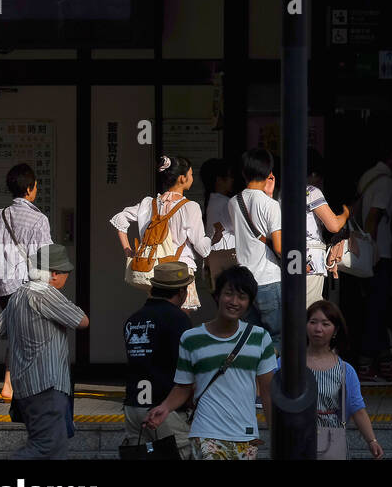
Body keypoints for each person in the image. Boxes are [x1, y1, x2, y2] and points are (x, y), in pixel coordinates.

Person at [145, 265, 277, 460]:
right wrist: (165, 407)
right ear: (217, 296)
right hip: (205, 433)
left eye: (242, 297)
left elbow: (268, 391)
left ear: (249, 303)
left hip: (246, 435)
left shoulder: (260, 338)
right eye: (229, 294)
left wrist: (277, 435)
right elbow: (183, 386)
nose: (234, 302)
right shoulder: (191, 338)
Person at [0, 244, 89, 459]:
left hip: (25, 384)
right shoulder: (45, 293)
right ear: (54, 274)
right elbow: (82, 321)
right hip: (46, 383)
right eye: (66, 273)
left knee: (56, 447)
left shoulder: (18, 295)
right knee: (46, 446)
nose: (67, 278)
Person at [111, 155, 217, 311]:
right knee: (179, 322)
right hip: (180, 273)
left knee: (158, 316)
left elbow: (120, 218)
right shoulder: (190, 207)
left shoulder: (149, 204)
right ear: (182, 178)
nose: (191, 177)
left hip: (155, 272)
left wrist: (128, 251)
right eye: (191, 174)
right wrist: (214, 237)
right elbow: (202, 247)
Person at [0, 163, 53, 402]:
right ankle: (24, 384)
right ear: (31, 188)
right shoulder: (38, 219)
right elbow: (44, 258)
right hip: (25, 285)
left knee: (17, 334)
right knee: (32, 336)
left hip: (1, 286)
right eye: (35, 186)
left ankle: (8, 384)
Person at [353, 136, 392, 383]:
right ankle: (371, 364)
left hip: (367, 255)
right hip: (379, 255)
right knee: (378, 309)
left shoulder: (367, 176)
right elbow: (374, 217)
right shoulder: (386, 181)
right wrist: (372, 250)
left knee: (373, 308)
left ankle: (377, 363)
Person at [122, 262, 194, 458]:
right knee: (179, 454)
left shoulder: (134, 319)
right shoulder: (178, 319)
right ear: (181, 292)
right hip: (164, 408)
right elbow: (187, 365)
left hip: (133, 405)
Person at [295, 300, 383, 459]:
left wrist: (372, 441)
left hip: (330, 441)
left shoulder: (345, 370)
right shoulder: (288, 365)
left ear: (335, 330)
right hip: (295, 438)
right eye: (313, 322)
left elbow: (357, 409)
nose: (318, 329)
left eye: (325, 324)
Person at [228, 148, 283, 349]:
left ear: (244, 173)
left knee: (251, 339)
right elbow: (279, 246)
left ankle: (254, 380)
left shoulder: (233, 203)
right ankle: (276, 380)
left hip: (246, 281)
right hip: (269, 279)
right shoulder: (271, 205)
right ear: (269, 173)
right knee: (277, 337)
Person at [306, 150, 349, 307]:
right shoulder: (311, 191)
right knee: (310, 308)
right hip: (310, 257)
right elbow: (334, 226)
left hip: (290, 256)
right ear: (314, 173)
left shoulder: (285, 192)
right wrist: (345, 214)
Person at [200, 157, 238, 290]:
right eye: (229, 177)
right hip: (226, 260)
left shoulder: (211, 201)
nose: (232, 180)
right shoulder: (225, 203)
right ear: (219, 180)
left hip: (213, 259)